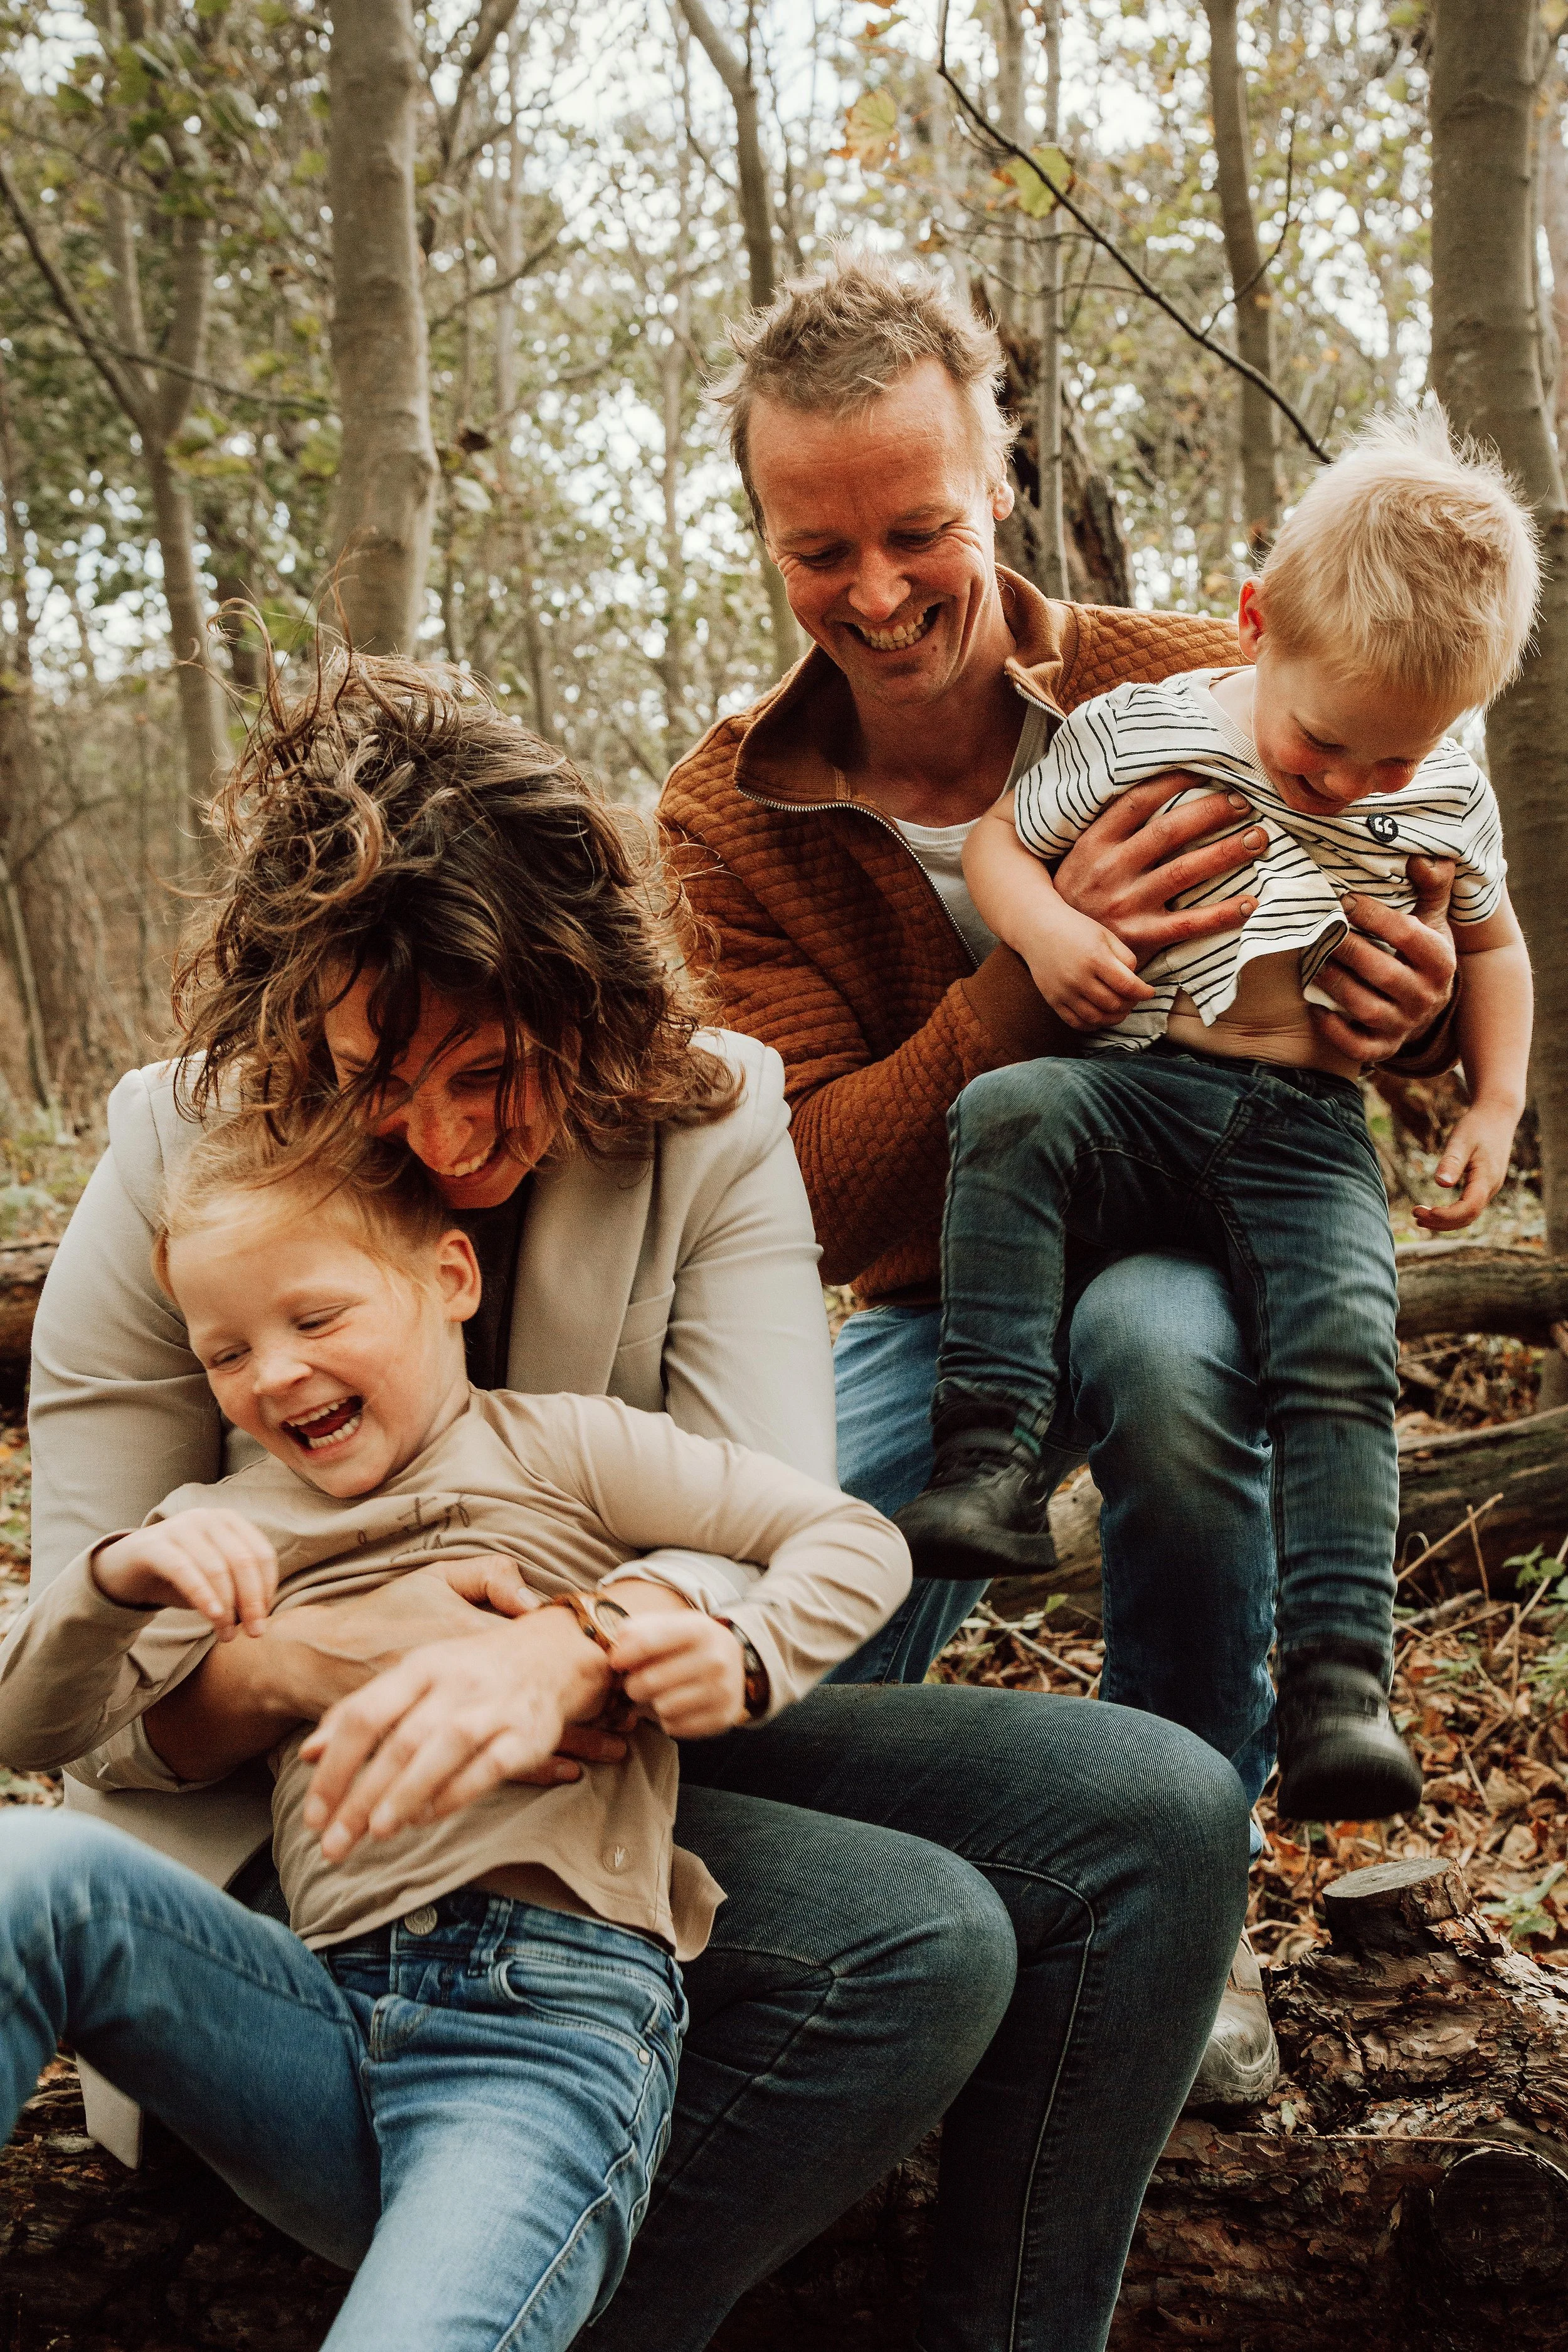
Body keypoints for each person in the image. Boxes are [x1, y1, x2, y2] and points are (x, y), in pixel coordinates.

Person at [28, 646, 1249, 2352]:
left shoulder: (710, 1105)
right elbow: (71, 1693)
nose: (446, 1131)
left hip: (623, 1743)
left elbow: (771, 1502)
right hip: (309, 1824)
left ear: (592, 997)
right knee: (914, 1933)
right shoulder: (183, 1148)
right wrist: (335, 1658)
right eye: (384, 1072)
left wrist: (576, 1647)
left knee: (1162, 1809)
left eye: (500, 1067)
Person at [659, 250, 1465, 2105]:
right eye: (815, 547)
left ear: (999, 477)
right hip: (937, 1284)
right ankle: (851, 1916)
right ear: (764, 533)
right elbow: (829, 1197)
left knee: (1179, 1379)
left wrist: (1412, 1007)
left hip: (1194, 1224)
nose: (874, 591)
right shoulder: (726, 815)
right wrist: (1029, 974)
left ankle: (1182, 1923)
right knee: (756, 1611)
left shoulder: (1199, 684)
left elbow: (1396, 928)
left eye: (916, 527)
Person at [2, 1119, 909, 2351]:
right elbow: (31, 1727)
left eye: (314, 1320)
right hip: (311, 2015)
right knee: (31, 1871)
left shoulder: (562, 1449)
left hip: (539, 2030)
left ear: (447, 1281)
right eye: (226, 1352)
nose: (272, 1375)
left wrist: (745, 1654)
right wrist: (114, 1581)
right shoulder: (222, 1530)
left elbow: (850, 1538)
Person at [898, 407, 1535, 1823]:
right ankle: (986, 1458)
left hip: (1309, 1125)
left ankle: (1332, 1687)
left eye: (1394, 760)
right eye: (1325, 745)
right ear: (1254, 622)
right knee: (1009, 1111)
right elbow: (1006, 840)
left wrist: (1489, 1097)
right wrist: (1048, 936)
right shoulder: (1145, 727)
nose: (1356, 785)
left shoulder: (1435, 780)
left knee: (1337, 1351)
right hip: (1143, 1088)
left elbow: (1488, 947)